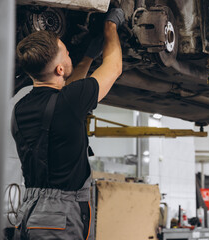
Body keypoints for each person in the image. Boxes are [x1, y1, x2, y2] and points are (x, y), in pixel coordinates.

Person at [11, 8, 125, 240]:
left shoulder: (20, 108)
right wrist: (110, 27)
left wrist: (88, 57)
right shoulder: (69, 102)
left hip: (31, 210)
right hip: (59, 216)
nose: (69, 52)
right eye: (66, 53)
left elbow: (67, 91)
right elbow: (114, 68)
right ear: (60, 69)